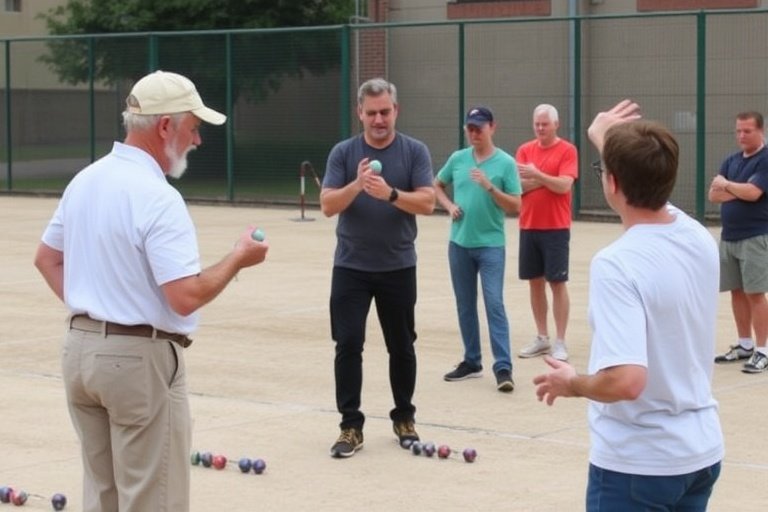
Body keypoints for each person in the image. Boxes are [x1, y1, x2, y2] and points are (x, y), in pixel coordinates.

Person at [33, 70, 269, 512]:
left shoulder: (86, 179)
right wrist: (238, 257)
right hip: (137, 362)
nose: (197, 141)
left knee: (102, 494)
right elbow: (185, 295)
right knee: (151, 499)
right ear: (166, 127)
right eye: (194, 129)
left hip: (79, 351)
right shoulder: (158, 197)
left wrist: (97, 308)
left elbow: (46, 259)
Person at [533, 100, 724, 511]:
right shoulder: (697, 236)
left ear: (612, 183)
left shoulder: (617, 263)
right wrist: (603, 139)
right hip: (701, 453)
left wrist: (573, 383)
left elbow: (626, 381)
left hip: (640, 466)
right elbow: (641, 176)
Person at [320, 78, 435, 458]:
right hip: (351, 267)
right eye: (371, 113)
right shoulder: (343, 152)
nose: (379, 119)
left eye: (385, 111)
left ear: (396, 110)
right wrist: (357, 184)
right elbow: (327, 205)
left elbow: (427, 202)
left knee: (402, 346)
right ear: (360, 113)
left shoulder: (414, 152)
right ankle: (350, 426)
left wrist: (390, 193)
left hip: (398, 266)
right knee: (348, 344)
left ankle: (404, 418)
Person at [434, 106, 521, 392]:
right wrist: (448, 205)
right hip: (459, 244)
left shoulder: (505, 163)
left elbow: (516, 205)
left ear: (492, 128)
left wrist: (489, 188)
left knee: (494, 303)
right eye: (469, 129)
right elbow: (436, 184)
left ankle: (503, 367)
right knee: (465, 304)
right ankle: (471, 361)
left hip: (491, 245)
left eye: (479, 129)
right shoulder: (458, 159)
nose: (474, 134)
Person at [515, 104, 579, 362]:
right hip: (529, 225)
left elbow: (564, 185)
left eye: (545, 124)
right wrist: (546, 180)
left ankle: (560, 341)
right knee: (535, 282)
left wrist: (538, 175)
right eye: (537, 124)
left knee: (557, 282)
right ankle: (542, 338)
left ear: (556, 124)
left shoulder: (567, 150)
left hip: (556, 227)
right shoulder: (524, 150)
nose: (540, 128)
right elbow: (517, 185)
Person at [708, 111, 768, 373]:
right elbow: (713, 195)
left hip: (755, 236)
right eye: (738, 131)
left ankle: (763, 349)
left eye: (747, 131)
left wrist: (728, 185)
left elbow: (754, 194)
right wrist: (737, 188)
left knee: (756, 293)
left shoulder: (765, 160)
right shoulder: (731, 160)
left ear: (760, 130)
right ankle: (744, 345)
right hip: (729, 236)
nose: (742, 136)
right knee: (736, 291)